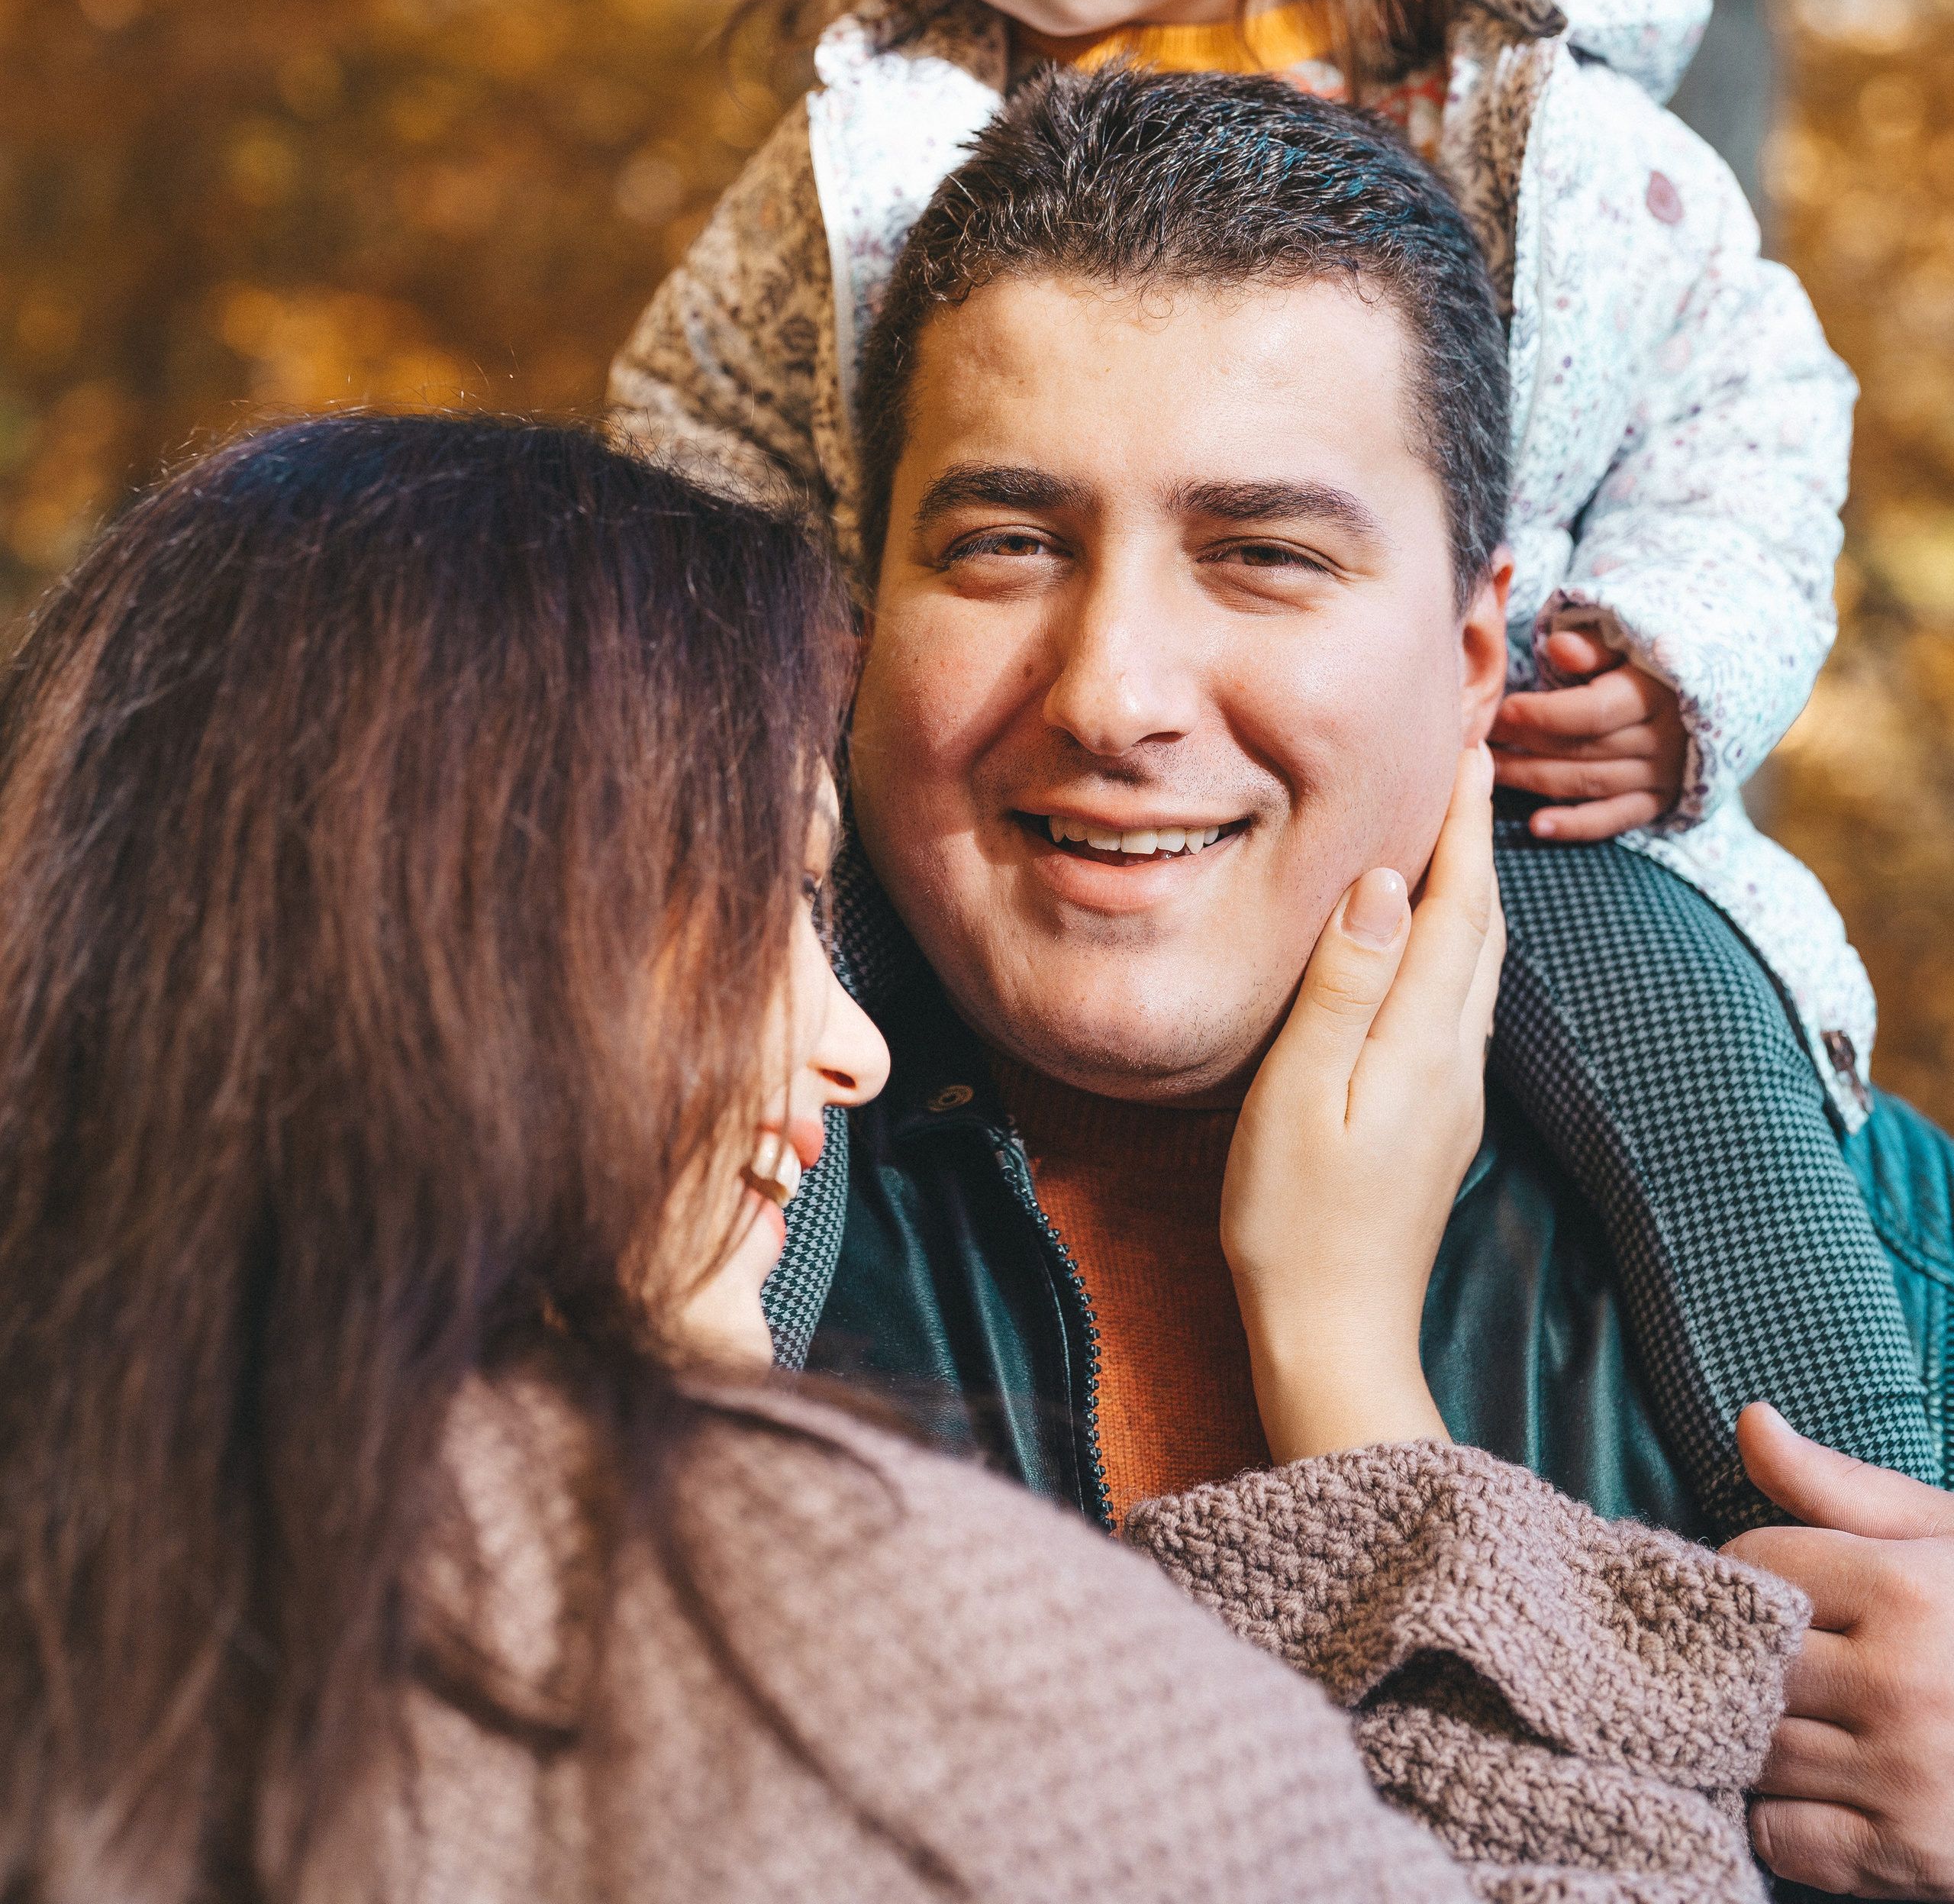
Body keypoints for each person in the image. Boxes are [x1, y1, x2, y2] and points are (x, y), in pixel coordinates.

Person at [607, 0, 1933, 1525]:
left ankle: (1867, 1496)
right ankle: (705, 1449)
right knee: (752, 1011)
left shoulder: (1535, 124)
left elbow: (1747, 406)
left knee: (1684, 1018)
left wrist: (1677, 667)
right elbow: (686, 446)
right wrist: (764, 716)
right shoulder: (878, 153)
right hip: (883, 841)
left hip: (1521, 821)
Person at [0, 411, 1810, 1904]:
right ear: (460, 949)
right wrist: (1351, 1376)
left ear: (1479, 649)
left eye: (1262, 551)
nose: (850, 1041)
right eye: (767, 902)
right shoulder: (893, 1668)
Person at [765, 69, 1954, 1899]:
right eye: (1006, 543)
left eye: (1261, 554)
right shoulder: (629, 1236)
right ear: (860, 620)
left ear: (1477, 654)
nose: (1112, 692)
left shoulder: (1869, 1258)